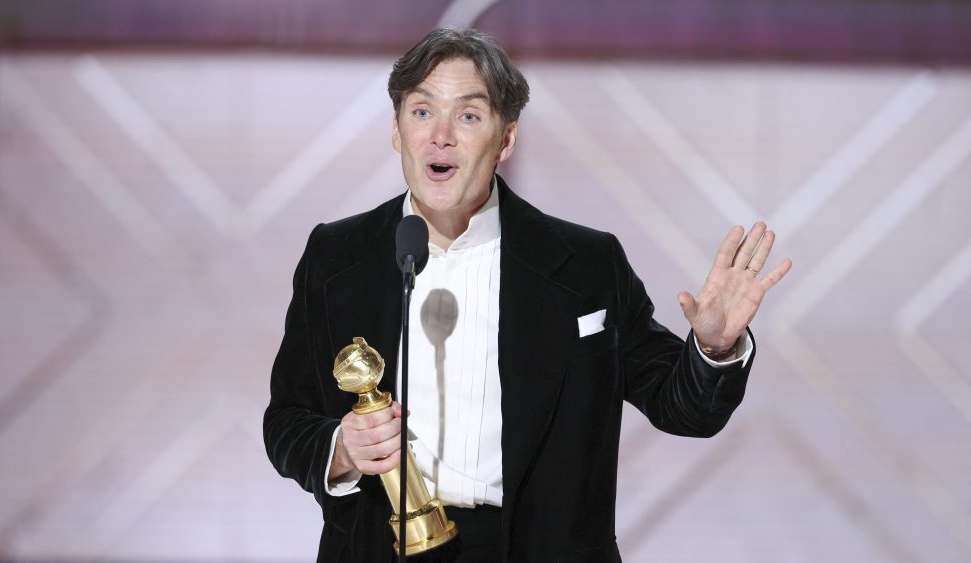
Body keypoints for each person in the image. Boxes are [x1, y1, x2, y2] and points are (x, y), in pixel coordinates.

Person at [263, 27, 791, 562]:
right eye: (421, 112)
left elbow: (684, 410)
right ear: (398, 131)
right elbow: (287, 421)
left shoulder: (585, 265)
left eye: (468, 116)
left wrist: (714, 350)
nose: (439, 135)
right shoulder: (336, 256)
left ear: (506, 139)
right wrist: (341, 450)